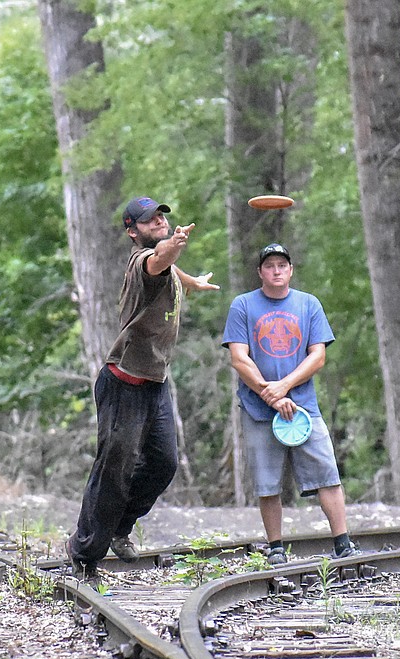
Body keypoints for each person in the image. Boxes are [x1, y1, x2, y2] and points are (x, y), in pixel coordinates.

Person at [67, 196, 218, 579]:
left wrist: (192, 281)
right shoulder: (142, 262)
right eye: (149, 221)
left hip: (155, 384)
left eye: (161, 218)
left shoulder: (164, 263)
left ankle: (119, 526)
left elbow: (169, 267)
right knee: (112, 472)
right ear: (133, 230)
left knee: (163, 465)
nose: (159, 223)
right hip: (124, 384)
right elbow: (158, 261)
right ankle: (85, 552)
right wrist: (174, 245)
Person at [222, 242, 356, 565]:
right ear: (260, 272)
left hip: (303, 406)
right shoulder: (242, 306)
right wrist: (269, 393)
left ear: (291, 270)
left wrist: (285, 388)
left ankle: (343, 543)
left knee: (327, 472)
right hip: (258, 408)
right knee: (267, 481)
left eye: (282, 265)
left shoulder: (309, 305)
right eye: (270, 266)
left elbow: (318, 355)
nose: (276, 270)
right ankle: (276, 547)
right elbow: (239, 358)